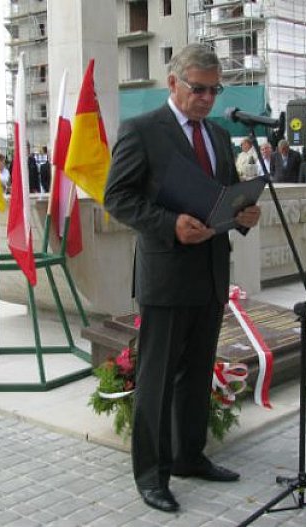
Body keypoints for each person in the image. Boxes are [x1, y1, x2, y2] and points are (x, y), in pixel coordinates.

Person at [103, 43, 261, 514]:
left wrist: (243, 214)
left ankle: (189, 457)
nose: (208, 98)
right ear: (173, 82)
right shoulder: (141, 131)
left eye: (215, 90)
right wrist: (170, 224)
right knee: (157, 380)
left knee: (196, 374)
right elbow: (118, 198)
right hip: (167, 274)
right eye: (199, 89)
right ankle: (151, 475)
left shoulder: (219, 135)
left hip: (210, 272)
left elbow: (223, 196)